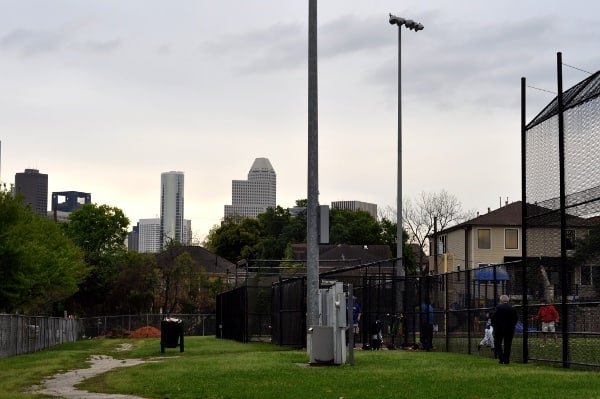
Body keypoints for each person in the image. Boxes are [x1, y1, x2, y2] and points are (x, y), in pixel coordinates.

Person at [491, 295, 518, 364]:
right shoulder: (512, 308)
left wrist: (494, 325)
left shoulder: (498, 307)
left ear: (501, 300)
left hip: (499, 329)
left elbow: (493, 317)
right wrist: (512, 326)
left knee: (497, 343)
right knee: (508, 345)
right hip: (509, 329)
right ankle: (506, 360)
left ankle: (501, 357)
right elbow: (515, 318)